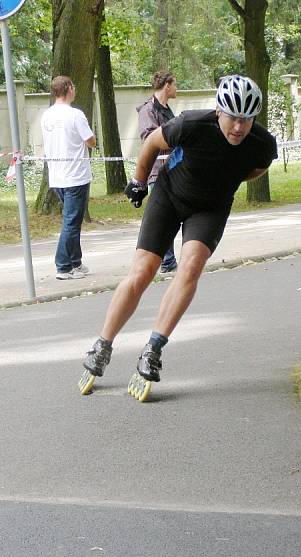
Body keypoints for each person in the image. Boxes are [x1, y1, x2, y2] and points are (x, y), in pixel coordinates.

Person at [79, 75, 277, 400]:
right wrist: (139, 181)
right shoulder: (191, 124)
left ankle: (153, 348)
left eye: (247, 119)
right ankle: (103, 344)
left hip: (210, 208)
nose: (239, 127)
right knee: (142, 272)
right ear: (218, 111)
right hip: (169, 196)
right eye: (232, 117)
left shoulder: (262, 144)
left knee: (191, 267)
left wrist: (228, 178)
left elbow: (257, 168)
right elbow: (151, 144)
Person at [40, 75, 97, 280]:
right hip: (76, 176)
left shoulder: (46, 116)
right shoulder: (75, 115)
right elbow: (90, 141)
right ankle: (63, 266)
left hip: (57, 176)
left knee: (72, 220)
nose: (75, 90)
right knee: (71, 222)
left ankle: (75, 261)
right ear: (68, 89)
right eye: (73, 87)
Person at [137, 70, 179, 273]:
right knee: (160, 217)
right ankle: (165, 261)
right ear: (167, 85)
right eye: (175, 84)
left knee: (171, 215)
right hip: (156, 171)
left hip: (173, 169)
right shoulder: (148, 110)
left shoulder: (167, 110)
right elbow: (150, 138)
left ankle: (168, 261)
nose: (176, 88)